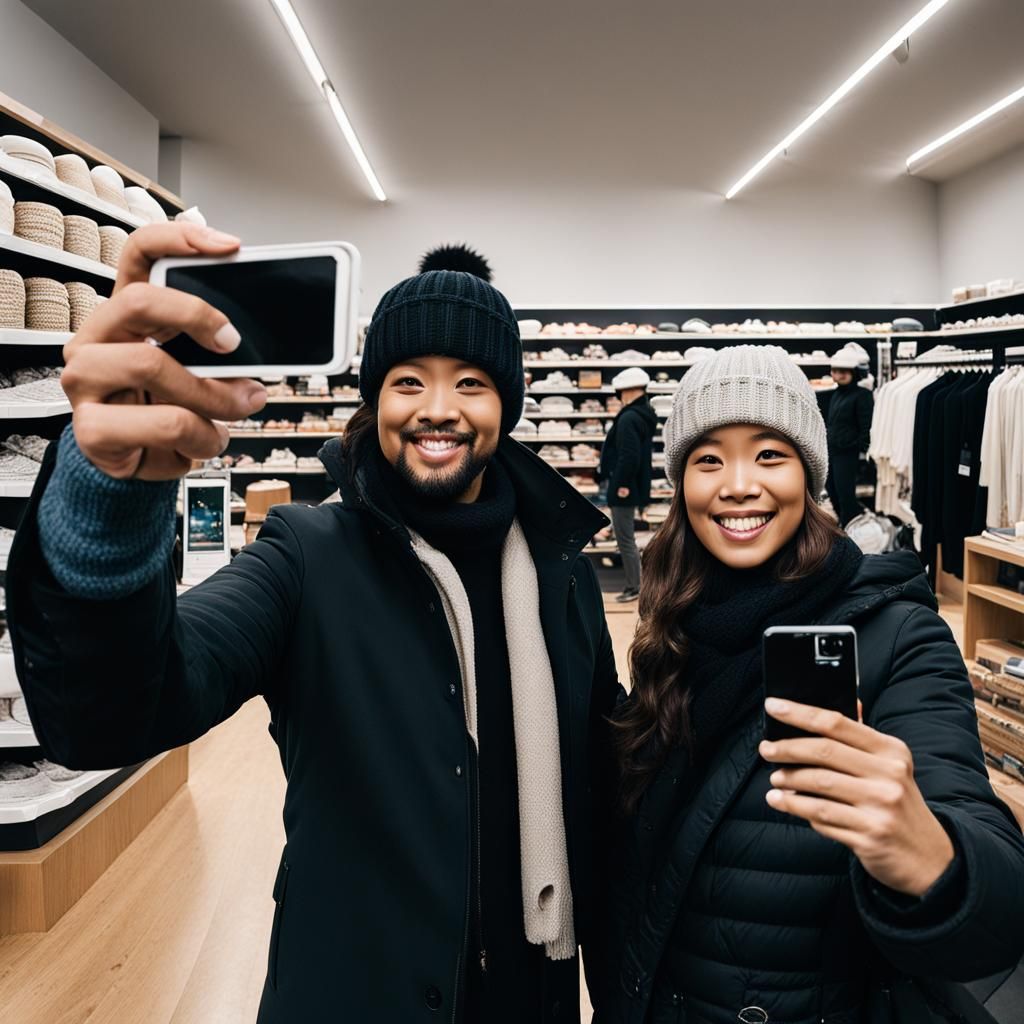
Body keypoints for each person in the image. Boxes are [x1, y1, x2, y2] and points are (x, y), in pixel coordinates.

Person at [5, 223, 623, 1023]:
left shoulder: (563, 572)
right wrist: (109, 506)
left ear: (508, 401)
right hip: (353, 993)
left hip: (530, 994)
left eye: (471, 382)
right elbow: (119, 713)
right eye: (408, 381)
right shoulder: (307, 555)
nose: (439, 410)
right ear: (375, 398)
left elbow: (611, 777)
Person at [598, 346, 1024, 1023]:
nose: (739, 484)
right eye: (708, 460)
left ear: (810, 473)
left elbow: (997, 897)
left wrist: (930, 855)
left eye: (770, 454)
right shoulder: (674, 623)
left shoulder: (898, 637)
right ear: (681, 483)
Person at [598, 367, 658, 603]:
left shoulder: (629, 418)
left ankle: (635, 587)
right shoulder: (643, 415)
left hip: (625, 486)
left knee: (625, 539)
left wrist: (621, 484)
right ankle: (638, 585)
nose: (619, 397)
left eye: (620, 393)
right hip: (632, 484)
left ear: (630, 390)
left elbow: (629, 456)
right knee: (627, 537)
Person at [825, 347, 873, 526]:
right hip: (832, 450)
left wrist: (860, 448)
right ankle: (845, 526)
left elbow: (866, 426)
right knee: (832, 491)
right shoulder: (836, 393)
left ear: (854, 372)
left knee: (845, 495)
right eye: (836, 370)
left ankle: (850, 528)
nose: (839, 375)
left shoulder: (862, 395)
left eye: (844, 371)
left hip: (847, 453)